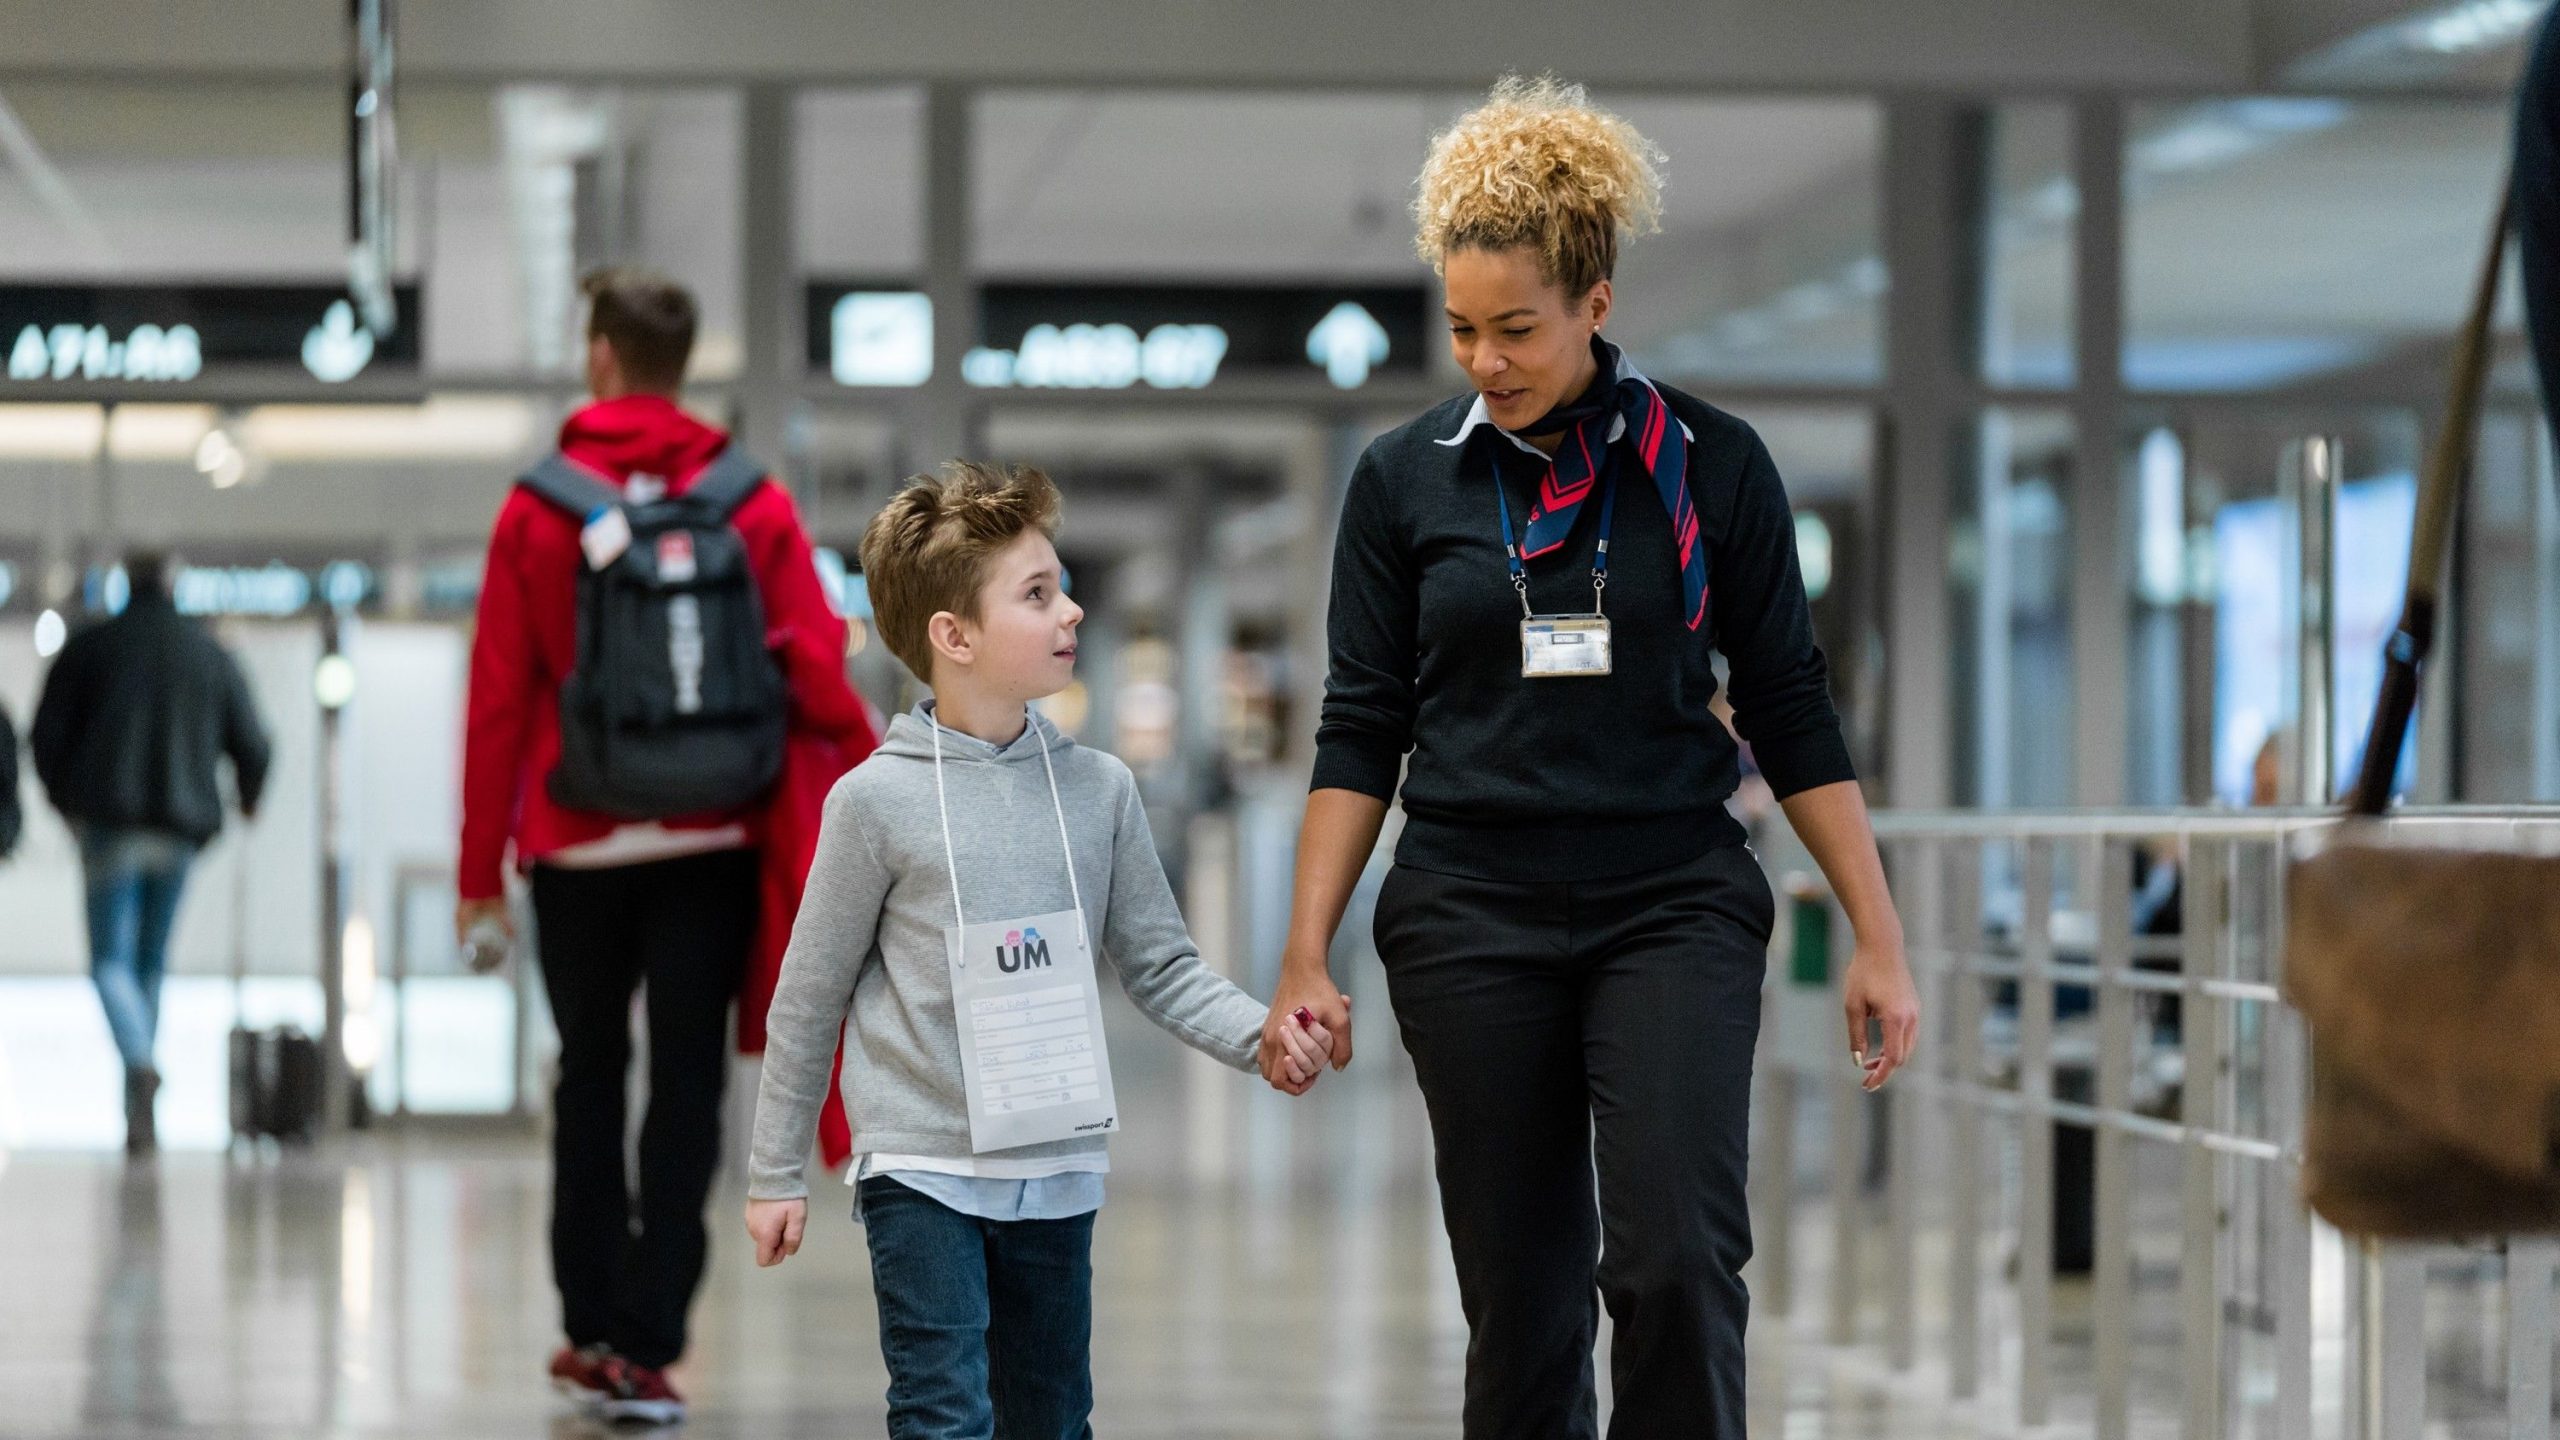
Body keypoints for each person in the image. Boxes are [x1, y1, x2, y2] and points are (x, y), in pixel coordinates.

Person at [1260, 78, 1920, 1438]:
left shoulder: (1711, 467)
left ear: (1595, 302)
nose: (1485, 361)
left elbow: (1790, 708)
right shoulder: (1402, 483)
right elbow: (1360, 723)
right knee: (1524, 1304)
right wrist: (1305, 950)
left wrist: (1878, 932)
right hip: (1467, 910)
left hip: (1670, 899)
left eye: (1516, 328)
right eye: (1461, 329)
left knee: (1675, 1262)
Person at [744, 461, 1335, 1440]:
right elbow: (809, 998)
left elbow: (1162, 965)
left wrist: (1261, 1035)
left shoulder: (1100, 790)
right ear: (955, 636)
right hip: (919, 1168)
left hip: (1056, 1165)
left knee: (1052, 1417)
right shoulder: (872, 802)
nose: (1071, 611)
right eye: (1036, 595)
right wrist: (775, 1174)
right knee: (942, 1413)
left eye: (1060, 586)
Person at [455, 266, 879, 1426]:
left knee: (589, 1073)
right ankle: (651, 1346)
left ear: (599, 355)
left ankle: (591, 1326)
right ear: (682, 364)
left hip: (576, 843)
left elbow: (497, 702)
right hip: (715, 835)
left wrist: (478, 873)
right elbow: (815, 663)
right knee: (688, 1081)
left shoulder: (535, 510)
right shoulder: (751, 502)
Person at [31, 550, 271, 1157]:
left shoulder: (93, 648)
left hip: (109, 823)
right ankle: (140, 1105)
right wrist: (248, 798)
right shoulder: (206, 653)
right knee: (149, 967)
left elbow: (46, 734)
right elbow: (254, 741)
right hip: (179, 829)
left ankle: (139, 1067)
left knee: (110, 965)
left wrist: (66, 801)